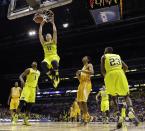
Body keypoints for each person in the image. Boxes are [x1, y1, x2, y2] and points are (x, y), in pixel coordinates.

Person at [101, 47, 140, 129]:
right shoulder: (117, 56)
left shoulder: (104, 56)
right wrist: (121, 73)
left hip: (110, 75)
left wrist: (106, 76)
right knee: (126, 95)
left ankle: (118, 115)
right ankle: (130, 110)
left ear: (106, 51)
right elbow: (126, 67)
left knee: (113, 97)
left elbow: (102, 70)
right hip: (120, 73)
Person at [39, 10, 60, 88]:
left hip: (54, 56)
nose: (47, 36)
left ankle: (56, 76)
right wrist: (41, 26)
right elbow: (40, 35)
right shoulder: (44, 43)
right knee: (42, 64)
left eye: (49, 35)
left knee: (54, 62)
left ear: (51, 37)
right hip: (47, 58)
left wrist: (53, 23)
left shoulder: (54, 41)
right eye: (46, 35)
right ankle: (52, 77)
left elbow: (55, 31)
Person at [17, 61, 40, 126]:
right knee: (22, 102)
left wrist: (37, 87)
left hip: (33, 89)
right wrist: (22, 81)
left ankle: (25, 120)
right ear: (31, 65)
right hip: (27, 87)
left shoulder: (38, 72)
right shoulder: (28, 69)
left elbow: (36, 80)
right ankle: (15, 116)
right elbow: (21, 76)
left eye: (35, 63)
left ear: (37, 65)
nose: (34, 63)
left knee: (30, 105)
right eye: (33, 63)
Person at [76, 56, 94, 125]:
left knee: (83, 101)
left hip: (87, 83)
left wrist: (81, 71)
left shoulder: (89, 65)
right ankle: (88, 117)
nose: (83, 57)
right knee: (79, 102)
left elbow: (92, 72)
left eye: (85, 57)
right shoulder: (83, 67)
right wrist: (78, 76)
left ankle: (85, 118)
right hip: (81, 84)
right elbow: (80, 80)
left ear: (88, 59)